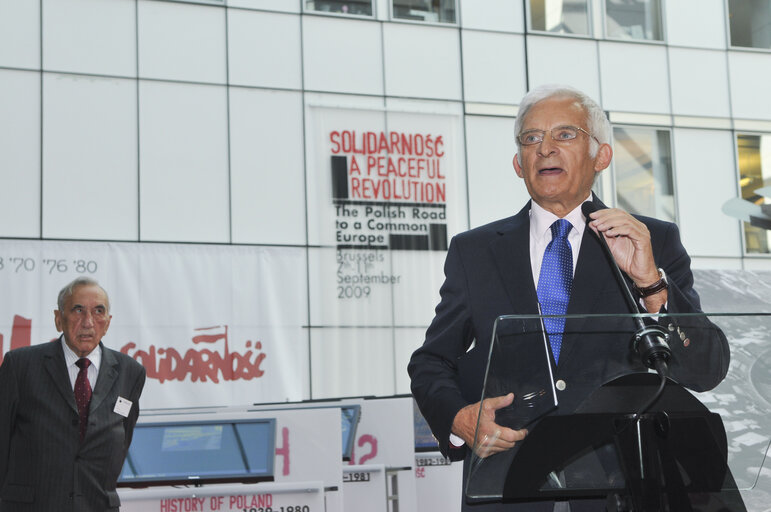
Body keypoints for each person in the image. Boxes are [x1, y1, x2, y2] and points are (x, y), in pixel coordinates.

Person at [408, 84, 730, 511]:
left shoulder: (649, 240)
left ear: (602, 156)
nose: (544, 149)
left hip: (623, 487)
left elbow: (705, 369)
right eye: (531, 138)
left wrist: (651, 283)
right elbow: (431, 360)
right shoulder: (476, 251)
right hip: (508, 484)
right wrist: (458, 418)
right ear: (518, 165)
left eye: (564, 135)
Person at [0, 277, 146, 512]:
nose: (88, 322)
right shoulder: (20, 366)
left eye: (98, 311)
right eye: (78, 310)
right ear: (59, 319)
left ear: (108, 322)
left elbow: (122, 438)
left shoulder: (131, 372)